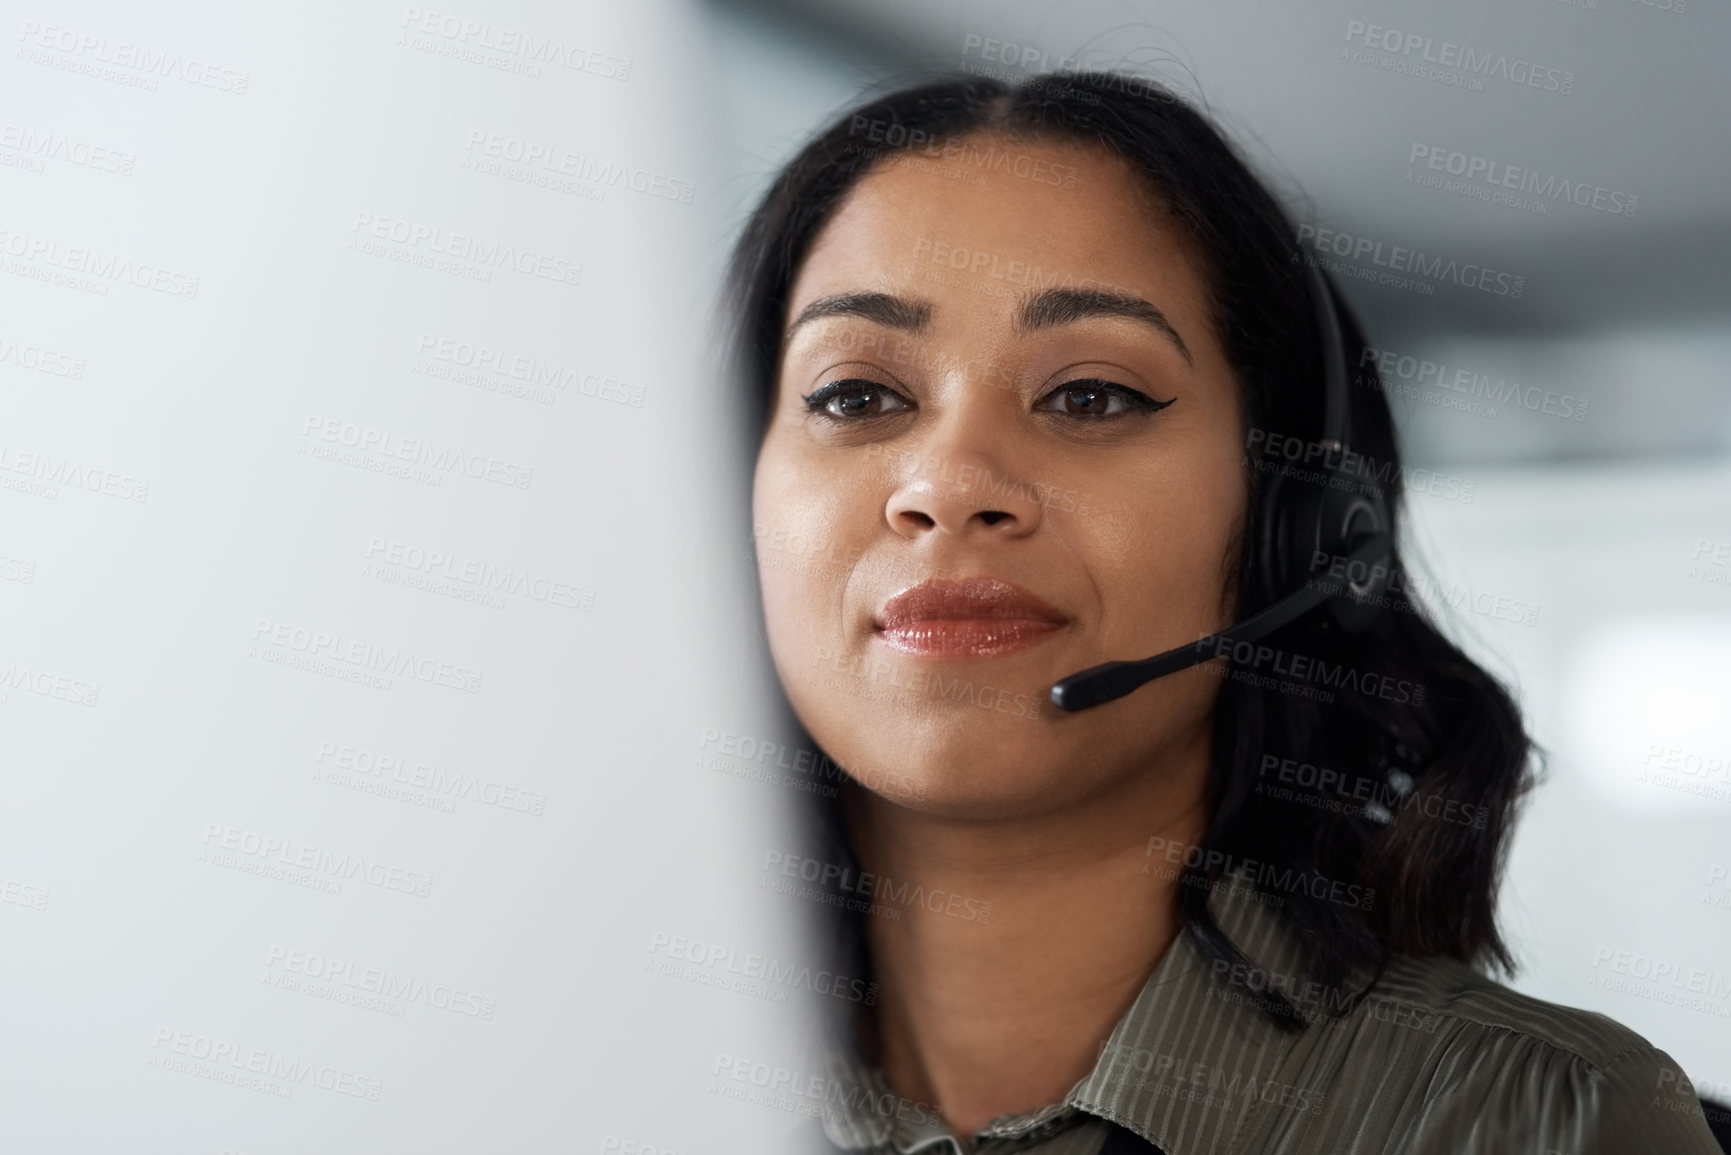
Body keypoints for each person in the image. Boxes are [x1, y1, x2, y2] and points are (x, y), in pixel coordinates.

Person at [725, 71, 1725, 1155]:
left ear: (1299, 526)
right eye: (857, 396)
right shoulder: (578, 1086)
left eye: (1091, 395)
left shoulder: (1540, 1125)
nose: (951, 481)